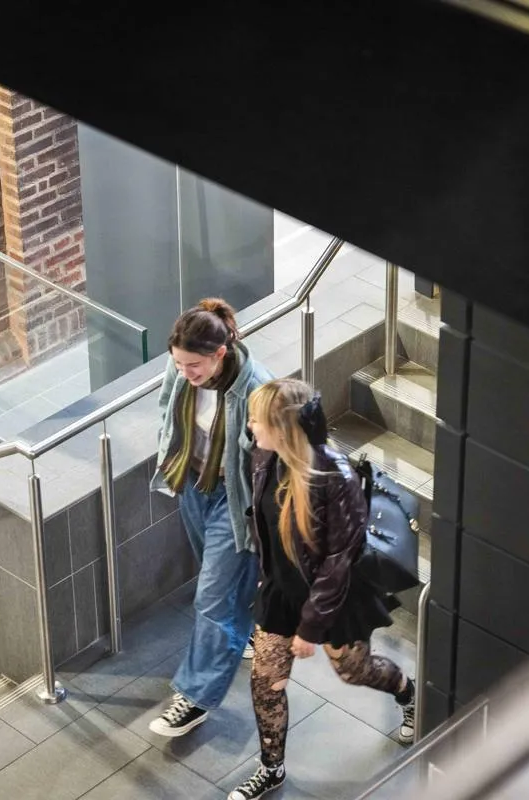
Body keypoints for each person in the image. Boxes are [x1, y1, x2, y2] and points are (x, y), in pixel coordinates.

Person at [227, 379, 416, 800]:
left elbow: (338, 561)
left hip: (334, 598)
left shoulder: (336, 477)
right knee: (266, 682)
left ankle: (408, 691)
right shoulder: (264, 455)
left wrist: (310, 628)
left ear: (284, 430)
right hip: (281, 591)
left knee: (353, 670)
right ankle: (271, 768)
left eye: (258, 420)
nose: (250, 426)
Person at [149, 298, 272, 737]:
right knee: (220, 585)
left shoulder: (256, 388)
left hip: (233, 500)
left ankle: (196, 697)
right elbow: (167, 407)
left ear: (220, 353)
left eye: (194, 365)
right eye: (178, 364)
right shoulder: (182, 369)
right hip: (193, 483)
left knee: (213, 598)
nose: (185, 372)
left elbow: (274, 457)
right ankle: (243, 629)